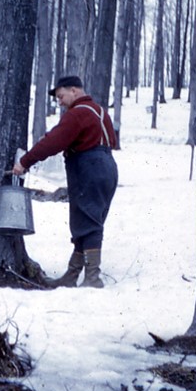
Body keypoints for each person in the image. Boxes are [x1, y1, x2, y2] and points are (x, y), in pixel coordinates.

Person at [12, 75, 118, 288]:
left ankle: (92, 278)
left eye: (61, 96)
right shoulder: (99, 111)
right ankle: (72, 275)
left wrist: (24, 161)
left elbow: (54, 143)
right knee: (85, 220)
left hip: (88, 168)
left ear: (74, 91)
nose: (59, 101)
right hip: (106, 166)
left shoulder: (77, 114)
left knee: (89, 221)